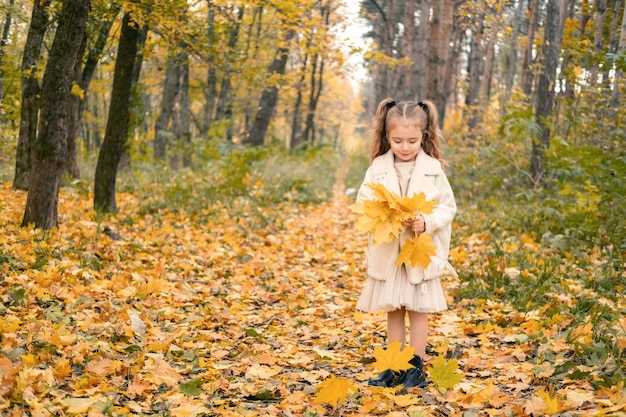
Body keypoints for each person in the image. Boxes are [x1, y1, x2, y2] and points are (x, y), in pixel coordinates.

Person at [355, 98, 457, 390]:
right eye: (397, 140)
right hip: (390, 254)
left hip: (417, 253)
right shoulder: (377, 168)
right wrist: (385, 212)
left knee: (418, 310)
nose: (405, 146)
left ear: (423, 136)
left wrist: (426, 221)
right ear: (387, 137)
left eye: (412, 140)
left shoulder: (433, 170)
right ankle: (394, 366)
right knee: (394, 311)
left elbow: (447, 208)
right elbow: (364, 201)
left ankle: (416, 368)